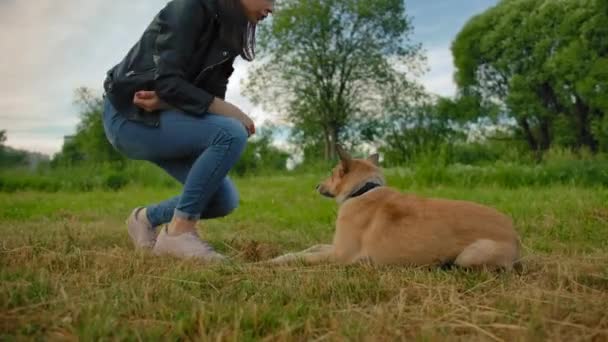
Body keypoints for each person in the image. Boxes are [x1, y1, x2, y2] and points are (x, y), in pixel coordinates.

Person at [102, 0, 274, 261]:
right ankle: (178, 234)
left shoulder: (229, 31)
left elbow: (206, 95)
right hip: (129, 116)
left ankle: (144, 219)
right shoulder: (191, 6)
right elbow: (168, 82)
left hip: (166, 115)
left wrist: (171, 101)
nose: (272, 8)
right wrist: (233, 112)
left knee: (222, 199)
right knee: (230, 132)